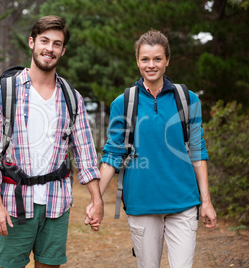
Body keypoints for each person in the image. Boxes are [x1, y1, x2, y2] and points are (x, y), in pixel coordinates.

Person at [0, 15, 103, 268]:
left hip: (57, 203)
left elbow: (86, 155)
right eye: (44, 41)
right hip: (15, 203)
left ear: (63, 50)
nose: (50, 48)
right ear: (32, 43)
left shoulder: (72, 98)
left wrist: (97, 200)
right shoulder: (5, 92)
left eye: (57, 44)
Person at [87, 29, 217, 267]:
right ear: (137, 61)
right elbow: (113, 154)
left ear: (167, 60)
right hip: (142, 202)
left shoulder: (188, 100)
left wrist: (206, 201)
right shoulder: (123, 103)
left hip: (184, 202)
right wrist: (98, 200)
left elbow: (198, 152)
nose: (151, 65)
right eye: (145, 59)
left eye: (157, 58)